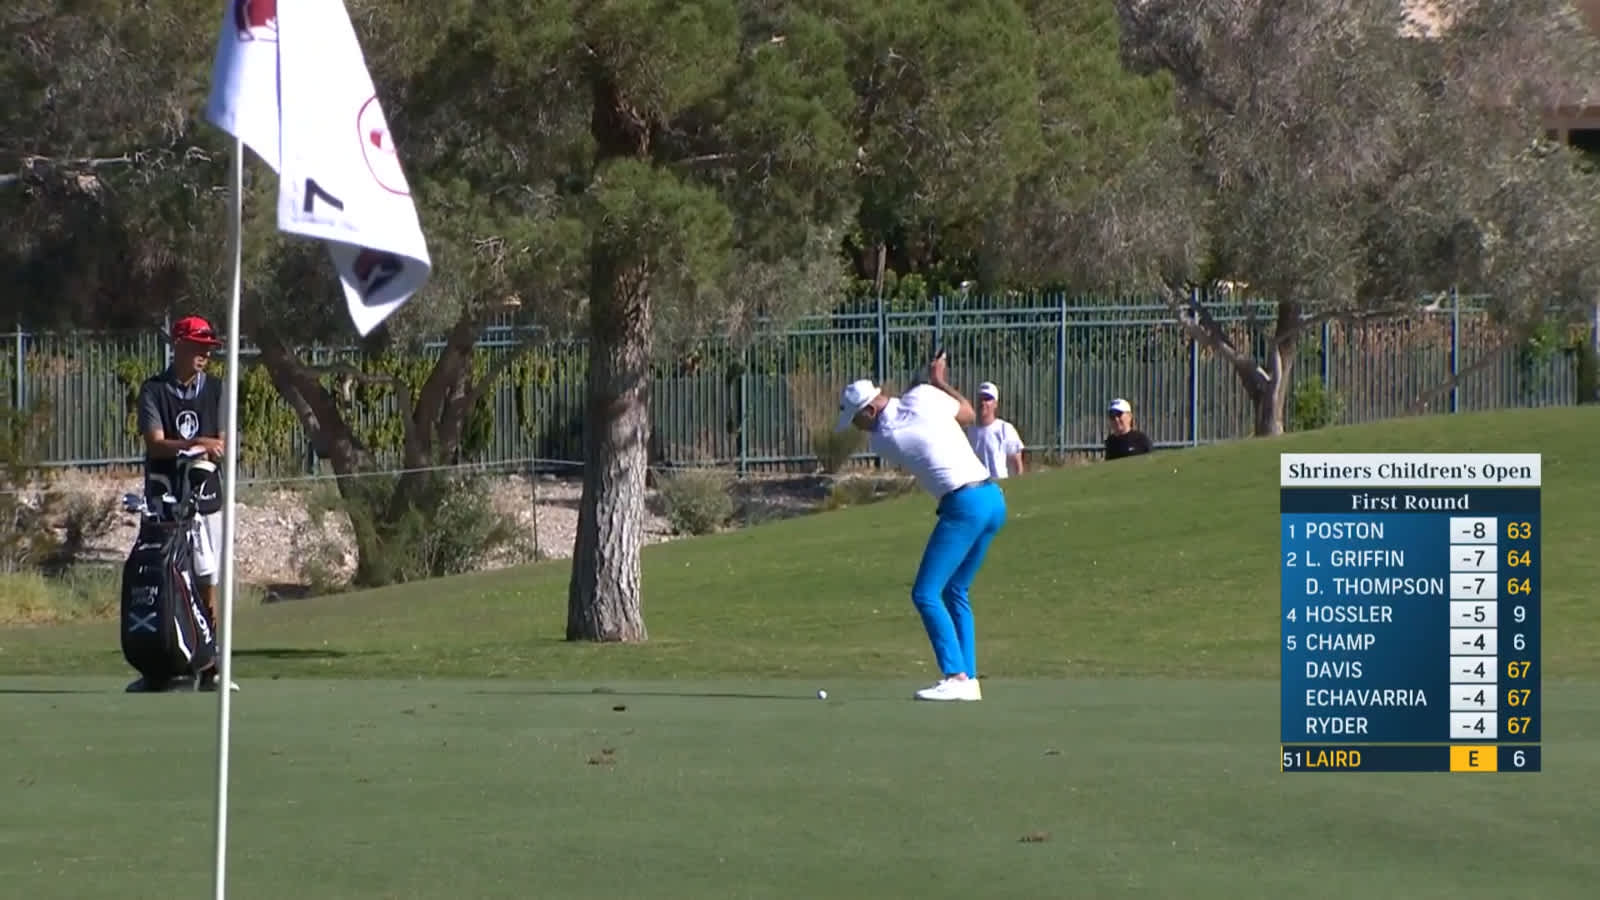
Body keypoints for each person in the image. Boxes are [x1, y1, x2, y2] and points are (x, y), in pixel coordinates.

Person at [836, 353, 1007, 702]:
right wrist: (938, 380)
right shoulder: (924, 397)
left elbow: (898, 420)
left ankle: (956, 675)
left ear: (869, 411)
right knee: (955, 590)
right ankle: (969, 679)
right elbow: (968, 414)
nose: (855, 427)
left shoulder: (885, 440)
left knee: (925, 593)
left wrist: (926, 383)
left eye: (856, 419)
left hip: (964, 506)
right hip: (993, 499)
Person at [136, 315, 237, 692]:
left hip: (206, 491)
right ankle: (161, 663)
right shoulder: (153, 390)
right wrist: (196, 446)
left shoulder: (215, 389)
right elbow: (156, 442)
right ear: (178, 345)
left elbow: (222, 442)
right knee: (164, 572)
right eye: (197, 347)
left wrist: (209, 450)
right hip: (164, 492)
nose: (204, 355)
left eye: (208, 349)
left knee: (207, 574)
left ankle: (210, 664)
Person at [965, 381, 1025, 480]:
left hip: (999, 486)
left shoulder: (1005, 429)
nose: (983, 403)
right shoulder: (969, 432)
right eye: (981, 398)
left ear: (995, 404)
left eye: (988, 399)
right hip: (976, 487)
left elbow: (1017, 464)